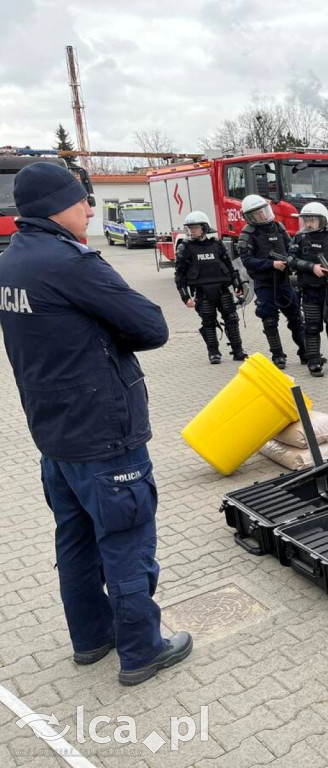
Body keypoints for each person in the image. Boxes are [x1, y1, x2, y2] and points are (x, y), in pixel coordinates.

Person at [0, 163, 192, 685]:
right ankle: (142, 651)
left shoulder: (11, 261)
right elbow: (151, 326)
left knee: (76, 541)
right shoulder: (70, 263)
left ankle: (91, 638)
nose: (90, 208)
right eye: (81, 200)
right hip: (104, 435)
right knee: (127, 542)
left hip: (55, 436)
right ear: (55, 207)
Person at [236, 194, 308, 369]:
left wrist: (291, 261)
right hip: (264, 283)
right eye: (257, 213)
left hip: (284, 281)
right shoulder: (248, 233)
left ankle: (306, 353)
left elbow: (291, 248)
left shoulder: (278, 227)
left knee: (296, 317)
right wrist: (271, 264)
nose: (262, 215)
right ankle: (278, 355)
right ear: (250, 217)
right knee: (269, 320)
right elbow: (247, 260)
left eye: (263, 211)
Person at [287, 202, 328, 376]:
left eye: (312, 220)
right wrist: (311, 267)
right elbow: (291, 260)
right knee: (311, 327)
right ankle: (314, 362)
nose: (308, 224)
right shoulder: (300, 238)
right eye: (306, 220)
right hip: (310, 291)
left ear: (322, 220)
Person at [174, 210, 247, 364]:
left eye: (195, 228)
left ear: (204, 228)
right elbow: (179, 276)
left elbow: (230, 267)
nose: (192, 231)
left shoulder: (217, 245)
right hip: (202, 292)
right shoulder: (185, 248)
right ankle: (213, 352)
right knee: (208, 322)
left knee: (232, 319)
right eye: (190, 228)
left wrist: (237, 285)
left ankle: (238, 350)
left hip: (222, 289)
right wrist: (185, 297)